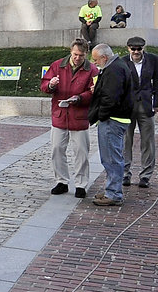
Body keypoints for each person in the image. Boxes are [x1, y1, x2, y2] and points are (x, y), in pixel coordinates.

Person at [40, 38, 99, 199]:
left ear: (86, 54)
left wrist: (80, 98)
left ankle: (81, 184)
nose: (77, 58)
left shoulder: (92, 70)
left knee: (81, 152)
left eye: (80, 55)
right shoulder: (58, 65)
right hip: (60, 114)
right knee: (57, 149)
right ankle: (61, 181)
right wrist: (51, 85)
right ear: (70, 51)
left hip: (79, 116)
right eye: (75, 54)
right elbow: (44, 85)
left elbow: (95, 91)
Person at [88, 43, 135, 206]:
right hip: (116, 118)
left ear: (104, 57)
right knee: (112, 157)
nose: (95, 63)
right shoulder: (117, 66)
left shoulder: (114, 69)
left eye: (96, 60)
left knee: (111, 158)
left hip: (112, 119)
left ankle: (114, 193)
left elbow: (111, 98)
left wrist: (101, 115)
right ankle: (111, 190)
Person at [122, 36, 158, 188]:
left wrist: (156, 104)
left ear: (144, 48)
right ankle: (125, 173)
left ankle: (145, 175)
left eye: (139, 49)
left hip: (146, 105)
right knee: (125, 141)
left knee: (148, 142)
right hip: (127, 107)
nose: (136, 52)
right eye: (133, 49)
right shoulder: (122, 61)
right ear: (128, 48)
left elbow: (157, 82)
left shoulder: (153, 60)